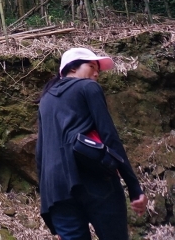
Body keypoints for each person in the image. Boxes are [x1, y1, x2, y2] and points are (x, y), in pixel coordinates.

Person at [37, 47, 147, 240]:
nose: (97, 73)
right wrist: (134, 187)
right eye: (91, 66)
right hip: (93, 179)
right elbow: (109, 136)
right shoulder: (88, 87)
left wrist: (48, 205)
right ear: (72, 69)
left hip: (56, 192)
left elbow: (41, 154)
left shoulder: (45, 100)